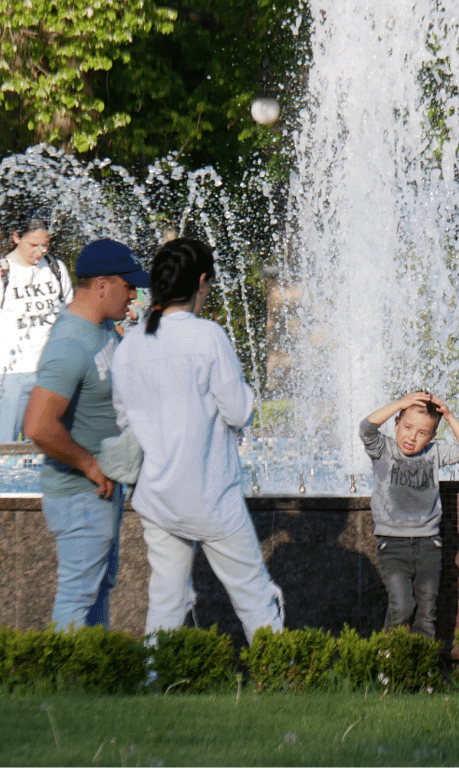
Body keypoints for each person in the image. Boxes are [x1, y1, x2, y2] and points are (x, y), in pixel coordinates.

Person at [111, 238, 285, 641]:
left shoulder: (131, 343)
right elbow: (239, 412)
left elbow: (123, 419)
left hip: (157, 496)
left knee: (166, 604)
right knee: (254, 599)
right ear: (202, 282)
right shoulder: (208, 336)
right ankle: (279, 671)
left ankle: (155, 674)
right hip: (211, 495)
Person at [24, 239, 149, 630]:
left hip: (99, 490)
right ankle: (66, 669)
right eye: (128, 286)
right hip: (80, 493)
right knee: (78, 594)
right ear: (102, 286)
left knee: (98, 587)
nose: (134, 295)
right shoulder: (69, 344)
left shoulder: (102, 328)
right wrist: (89, 465)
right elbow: (37, 425)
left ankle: (94, 666)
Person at [361, 391, 459, 640]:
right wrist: (400, 404)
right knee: (401, 607)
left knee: (426, 613)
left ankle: (422, 662)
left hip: (428, 544)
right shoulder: (384, 450)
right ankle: (387, 656)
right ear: (396, 424)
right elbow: (366, 428)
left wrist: (448, 416)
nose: (412, 437)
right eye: (407, 427)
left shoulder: (433, 454)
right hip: (392, 544)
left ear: (432, 437)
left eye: (422, 432)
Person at [0, 216, 73, 443]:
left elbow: (68, 316)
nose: (40, 252)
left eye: (45, 245)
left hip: (49, 375)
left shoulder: (56, 269)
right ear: (16, 237)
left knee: (45, 451)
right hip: (8, 378)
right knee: (0, 450)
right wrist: (3, 362)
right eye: (33, 245)